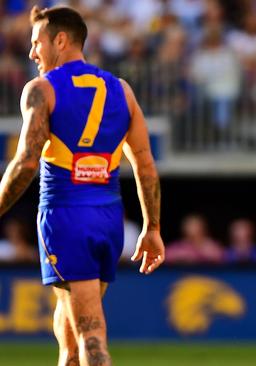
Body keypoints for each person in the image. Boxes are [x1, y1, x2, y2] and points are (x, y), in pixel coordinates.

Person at [0, 6, 165, 365]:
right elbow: (146, 166)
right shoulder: (122, 90)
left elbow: (27, 161)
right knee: (71, 332)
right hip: (109, 220)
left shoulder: (42, 89)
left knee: (92, 338)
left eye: (36, 42)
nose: (32, 53)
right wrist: (152, 227)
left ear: (60, 40)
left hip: (66, 218)